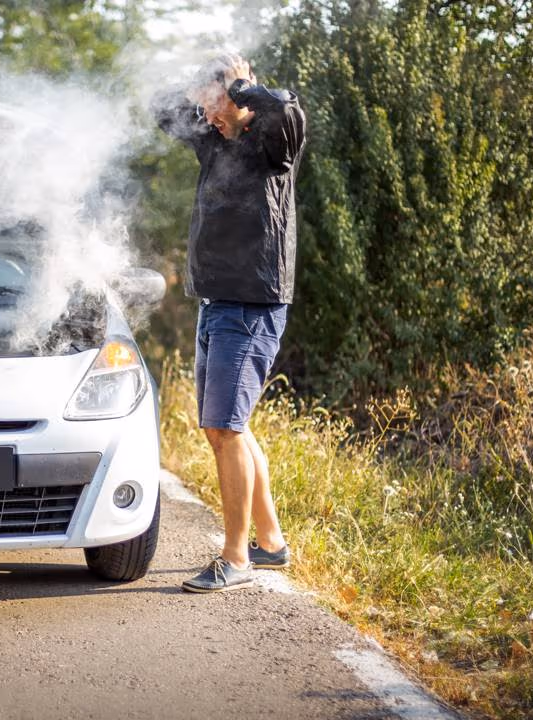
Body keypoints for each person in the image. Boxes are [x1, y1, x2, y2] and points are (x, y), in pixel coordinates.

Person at [151, 53, 306, 593]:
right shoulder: (214, 139)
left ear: (239, 97)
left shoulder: (272, 140)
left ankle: (236, 556)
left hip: (252, 303)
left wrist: (240, 87)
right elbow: (159, 109)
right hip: (217, 301)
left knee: (225, 428)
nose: (205, 116)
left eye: (213, 106)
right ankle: (271, 543)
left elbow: (285, 106)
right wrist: (198, 82)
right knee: (228, 429)